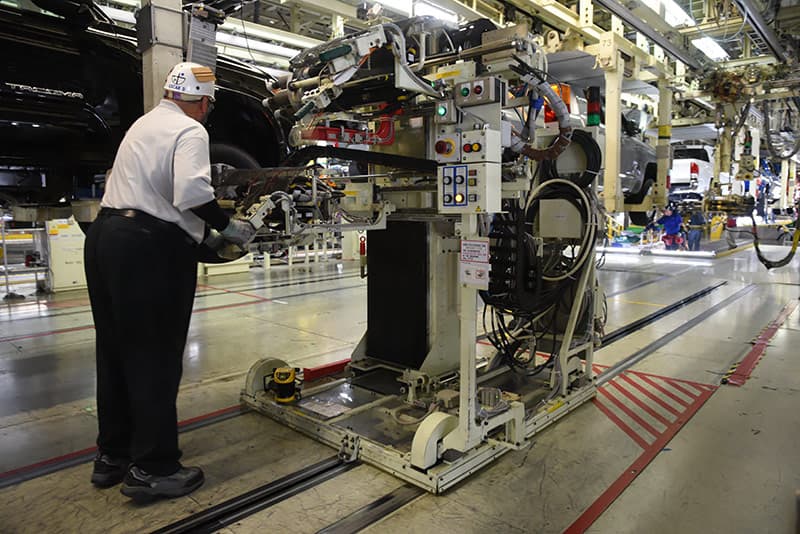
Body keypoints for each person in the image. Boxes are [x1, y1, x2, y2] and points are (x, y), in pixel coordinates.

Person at [84, 62, 256, 503]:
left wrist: (201, 235)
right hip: (147, 247)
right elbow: (192, 194)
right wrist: (227, 226)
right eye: (207, 105)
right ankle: (154, 468)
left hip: (105, 237)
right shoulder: (190, 131)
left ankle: (113, 456)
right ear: (202, 101)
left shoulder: (145, 123)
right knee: (155, 357)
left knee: (116, 352)